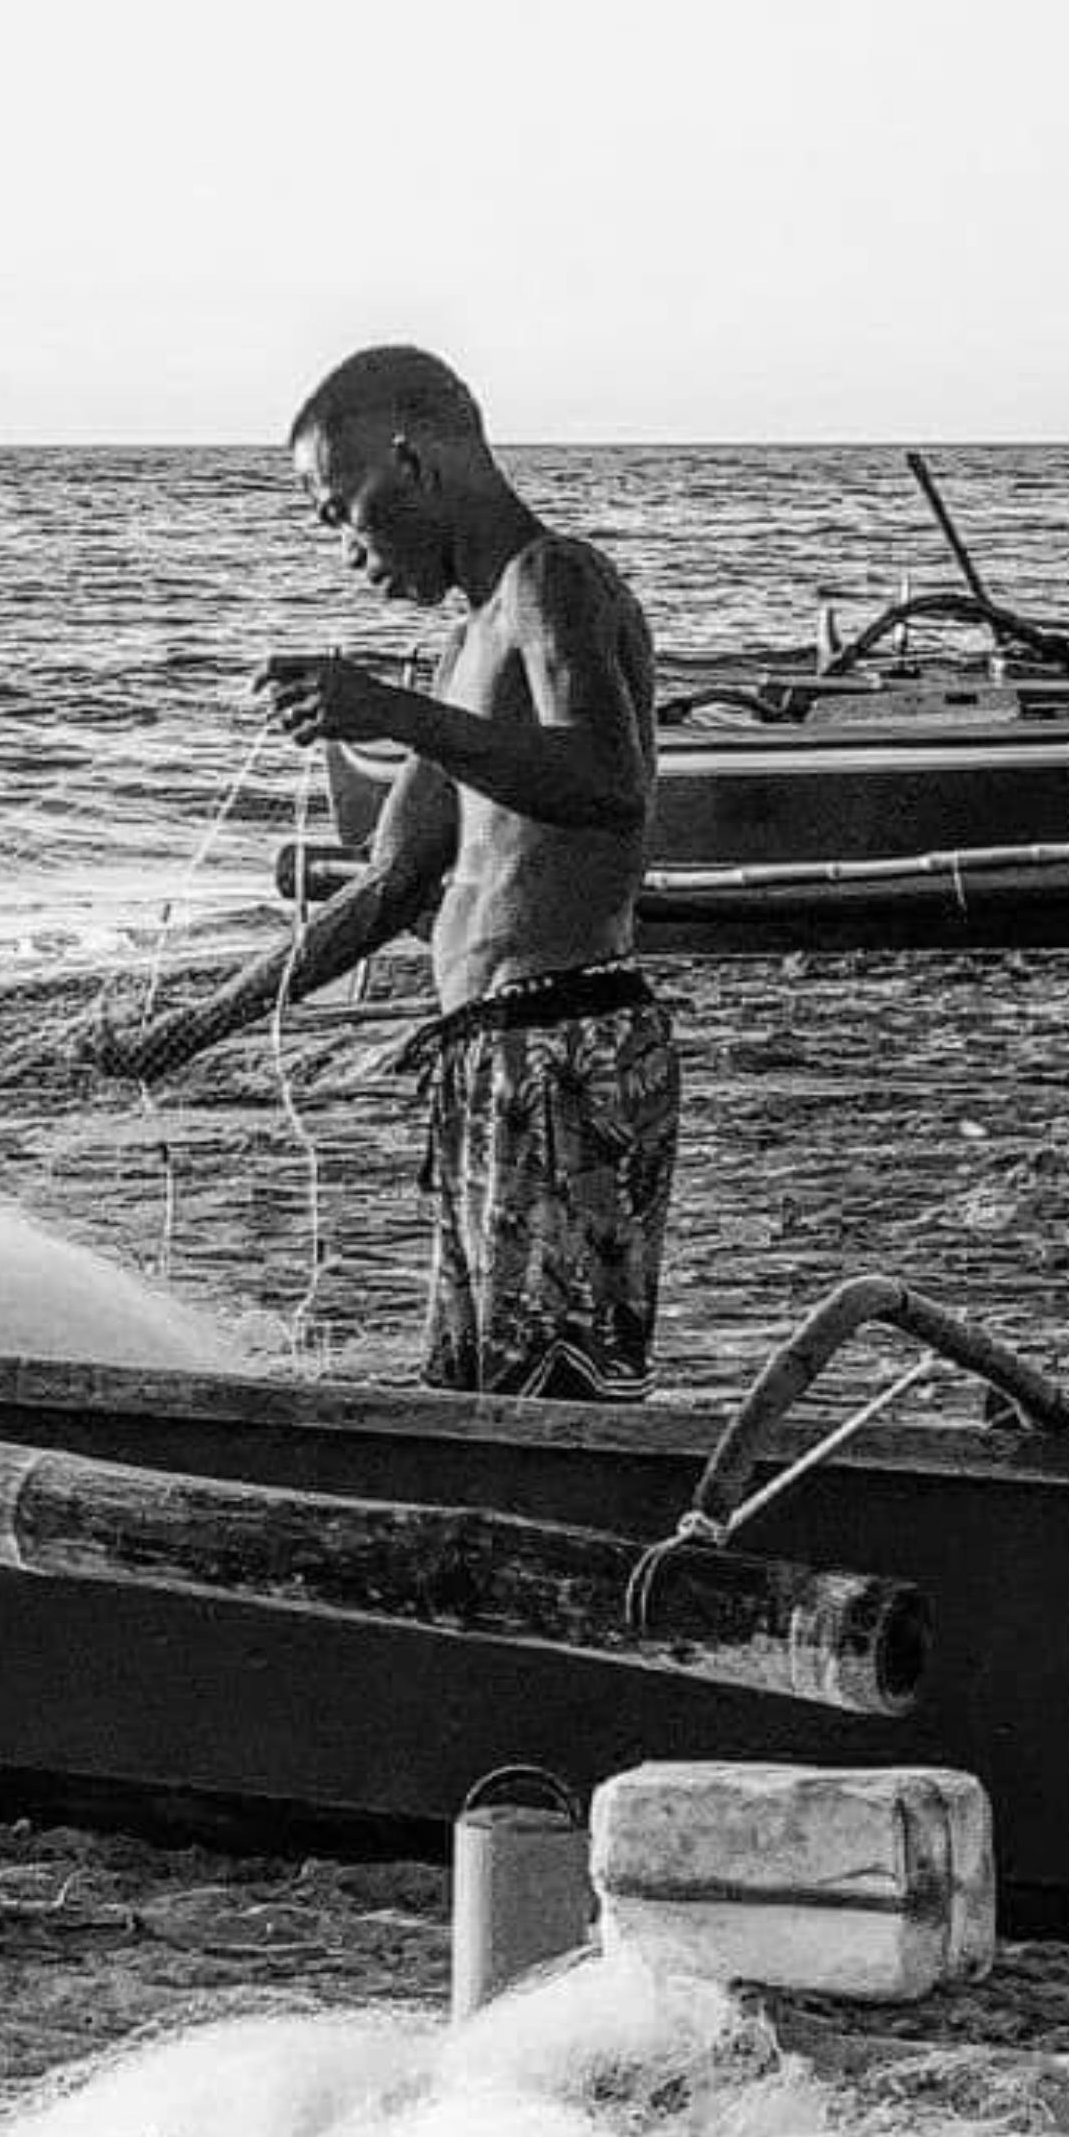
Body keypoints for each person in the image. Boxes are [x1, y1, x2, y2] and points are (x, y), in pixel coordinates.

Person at [91, 346, 677, 1395]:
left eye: (338, 509)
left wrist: (387, 712)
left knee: (559, 1391)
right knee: (472, 1386)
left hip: (567, 1044)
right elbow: (395, 884)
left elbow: (607, 780)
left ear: (409, 462)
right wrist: (188, 1031)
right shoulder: (466, 647)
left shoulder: (557, 580)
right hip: (483, 1055)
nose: (345, 548)